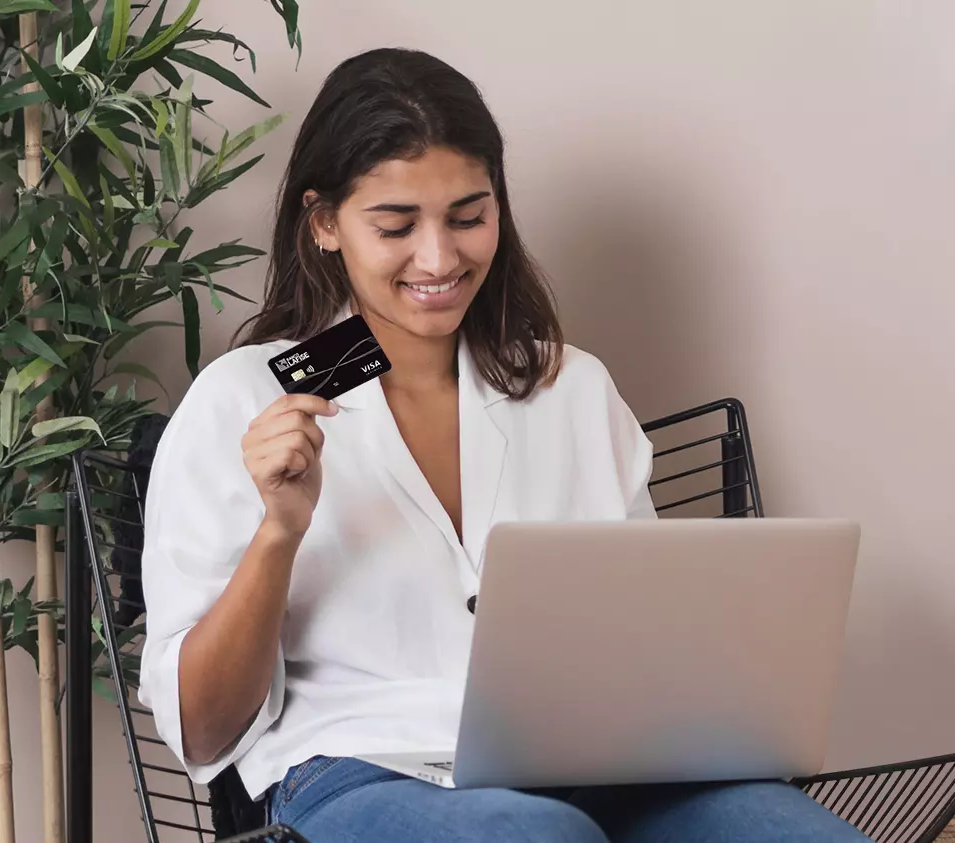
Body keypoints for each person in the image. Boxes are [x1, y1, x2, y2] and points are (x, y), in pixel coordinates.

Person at [138, 47, 869, 843]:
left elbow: (649, 644)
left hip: (602, 765)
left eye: (467, 216)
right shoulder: (244, 400)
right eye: (396, 225)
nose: (439, 258)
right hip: (364, 770)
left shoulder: (571, 388)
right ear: (323, 223)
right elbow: (202, 730)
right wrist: (279, 531)